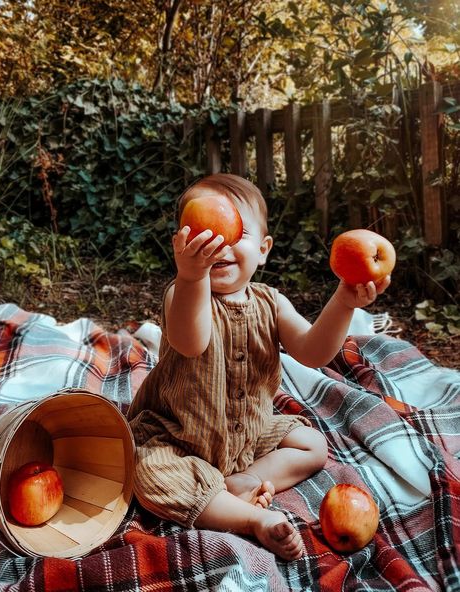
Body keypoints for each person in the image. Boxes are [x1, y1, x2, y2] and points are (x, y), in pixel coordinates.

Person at [127, 173, 391, 561]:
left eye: (238, 231)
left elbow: (314, 352)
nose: (221, 242)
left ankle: (244, 481)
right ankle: (251, 520)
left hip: (247, 436)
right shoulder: (181, 295)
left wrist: (344, 301)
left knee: (313, 445)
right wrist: (190, 276)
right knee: (146, 473)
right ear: (182, 246)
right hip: (177, 436)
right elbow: (191, 340)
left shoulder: (272, 303)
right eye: (205, 232)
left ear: (264, 249)